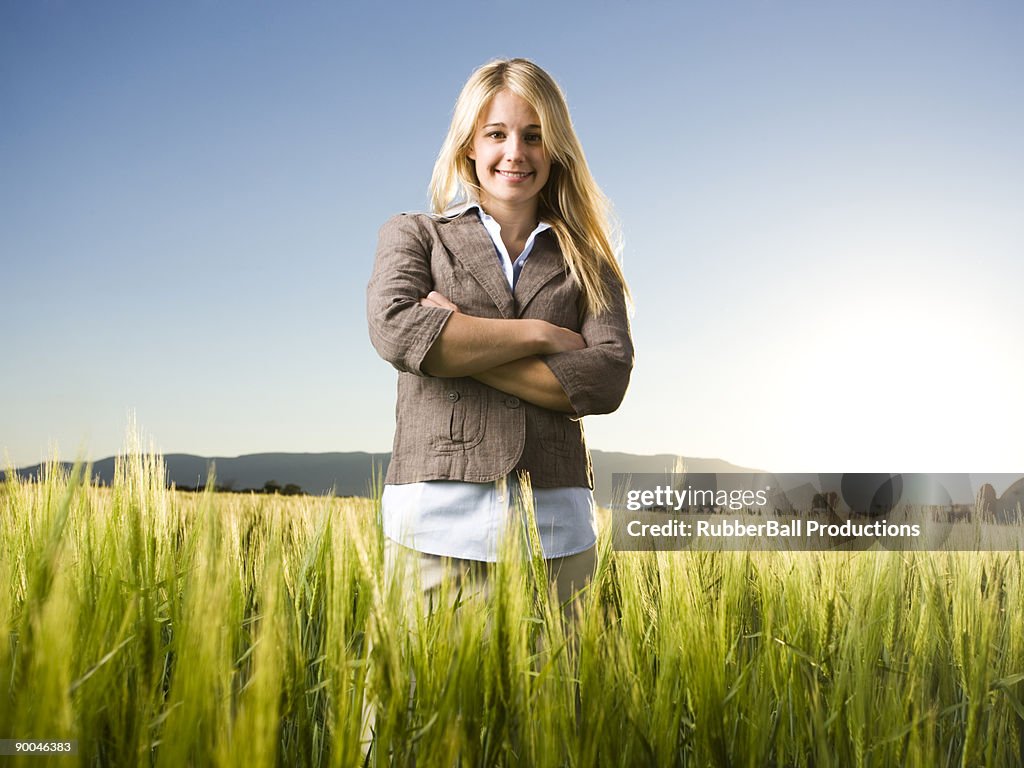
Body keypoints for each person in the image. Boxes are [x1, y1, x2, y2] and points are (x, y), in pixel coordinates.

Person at [366, 57, 633, 612]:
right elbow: (396, 331)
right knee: (419, 700)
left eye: (534, 137)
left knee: (561, 700)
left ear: (555, 148)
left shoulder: (589, 259)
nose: (515, 153)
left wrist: (452, 345)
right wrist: (540, 334)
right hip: (436, 528)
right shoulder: (415, 236)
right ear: (469, 144)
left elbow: (606, 379)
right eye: (496, 134)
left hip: (558, 532)